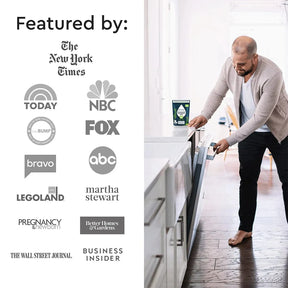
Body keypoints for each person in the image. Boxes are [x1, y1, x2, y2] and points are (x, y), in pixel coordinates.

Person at [188, 36, 288, 246]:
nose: (236, 67)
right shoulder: (230, 65)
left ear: (255, 58)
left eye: (242, 64)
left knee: (287, 181)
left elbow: (260, 118)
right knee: (247, 179)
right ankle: (245, 229)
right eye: (234, 62)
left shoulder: (273, 74)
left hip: (280, 132)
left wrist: (230, 140)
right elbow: (218, 92)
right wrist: (205, 115)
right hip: (249, 133)